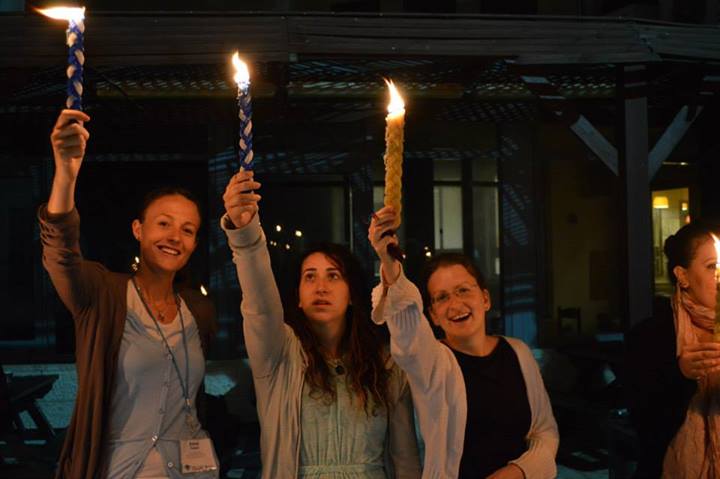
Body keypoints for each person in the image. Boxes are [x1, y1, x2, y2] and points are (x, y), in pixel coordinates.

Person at [41, 109, 218, 479]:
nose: (175, 237)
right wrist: (65, 176)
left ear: (195, 243)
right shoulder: (103, 294)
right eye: (164, 224)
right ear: (139, 229)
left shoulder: (199, 310)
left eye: (187, 230)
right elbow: (61, 254)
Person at [221, 171, 421, 478]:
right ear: (299, 297)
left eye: (333, 276)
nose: (321, 287)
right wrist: (245, 235)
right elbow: (259, 304)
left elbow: (404, 457)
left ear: (351, 294)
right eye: (310, 277)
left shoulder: (384, 365)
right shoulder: (279, 357)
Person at [369, 206, 558, 479]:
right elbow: (407, 333)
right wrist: (389, 263)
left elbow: (545, 432)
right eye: (442, 297)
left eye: (463, 290)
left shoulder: (518, 352)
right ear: (433, 315)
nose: (455, 304)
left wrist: (518, 471)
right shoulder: (432, 363)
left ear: (485, 298)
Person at [626, 221, 720, 478]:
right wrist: (680, 374)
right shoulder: (652, 335)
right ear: (683, 276)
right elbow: (645, 421)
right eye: (712, 266)